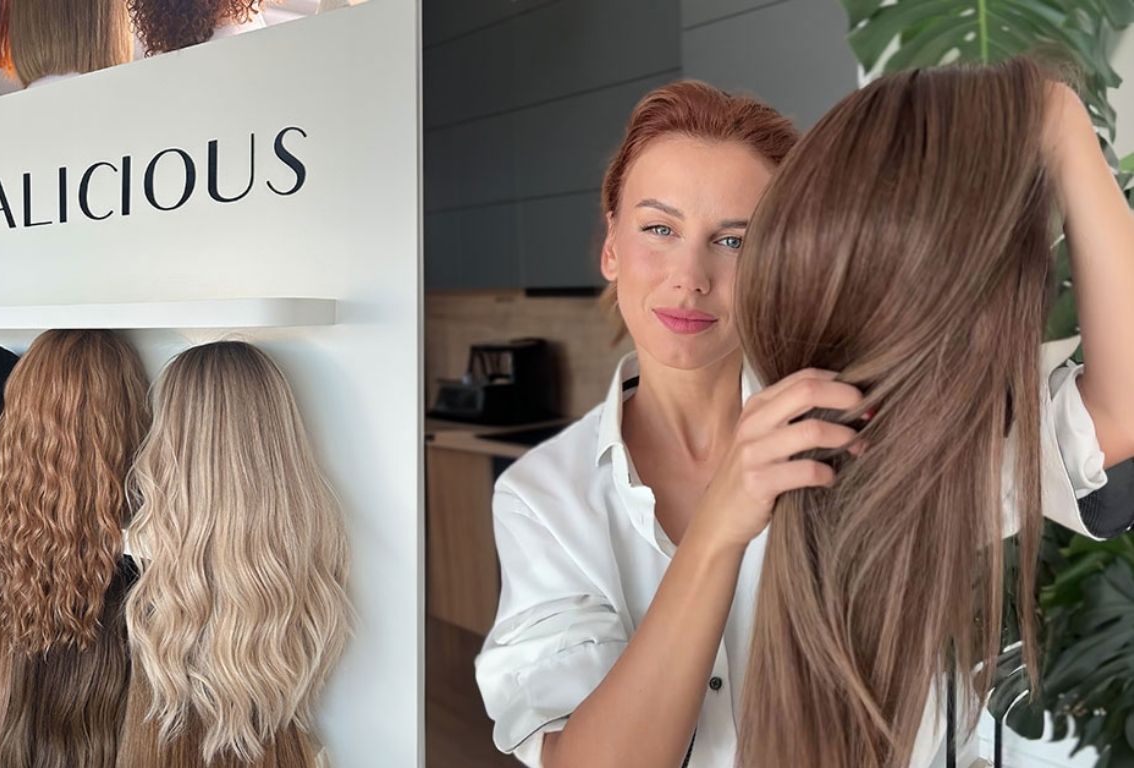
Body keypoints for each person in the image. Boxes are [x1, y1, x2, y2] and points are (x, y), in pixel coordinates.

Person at [474, 75, 1134, 768]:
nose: (690, 276)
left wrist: (1062, 126)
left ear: (781, 258)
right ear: (612, 245)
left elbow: (1119, 413)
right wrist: (719, 528)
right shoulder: (544, 498)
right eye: (659, 229)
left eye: (735, 240)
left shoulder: (859, 421)